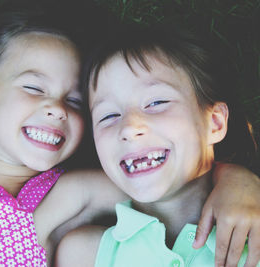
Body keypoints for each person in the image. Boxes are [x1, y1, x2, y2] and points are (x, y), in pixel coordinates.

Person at [0, 2, 259, 266]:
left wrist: (236, 181)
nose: (55, 108)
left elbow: (168, 179)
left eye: (74, 102)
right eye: (33, 87)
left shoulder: (70, 192)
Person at [55, 24, 260, 267]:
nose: (129, 127)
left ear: (214, 123)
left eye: (157, 102)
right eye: (108, 116)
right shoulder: (84, 254)